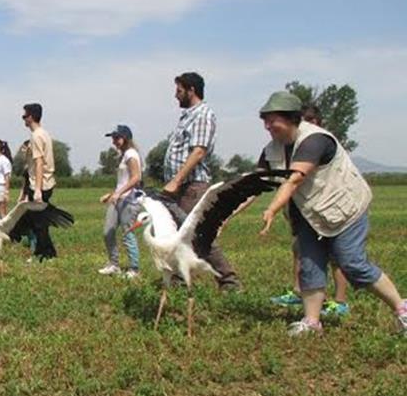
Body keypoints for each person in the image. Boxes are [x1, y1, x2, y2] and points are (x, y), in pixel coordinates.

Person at [254, 91, 406, 336]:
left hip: (345, 208)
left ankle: (402, 309)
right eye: (265, 120)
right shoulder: (273, 149)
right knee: (309, 265)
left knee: (352, 263)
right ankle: (312, 322)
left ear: (292, 118)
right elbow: (253, 184)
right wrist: (225, 211)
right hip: (310, 213)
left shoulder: (315, 140)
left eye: (273, 120)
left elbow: (293, 180)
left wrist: (272, 209)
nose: (268, 126)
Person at [269, 104, 351, 316]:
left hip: (328, 210)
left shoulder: (320, 143)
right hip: (302, 211)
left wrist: (272, 209)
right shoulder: (281, 146)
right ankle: (300, 294)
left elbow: (296, 179)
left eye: (311, 121)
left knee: (337, 256)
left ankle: (340, 302)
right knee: (302, 251)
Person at [162, 72, 240, 290]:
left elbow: (199, 151)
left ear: (191, 90)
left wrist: (176, 181)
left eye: (179, 90)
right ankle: (179, 278)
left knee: (198, 235)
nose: (175, 95)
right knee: (179, 234)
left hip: (192, 185)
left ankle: (229, 281)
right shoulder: (188, 116)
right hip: (182, 185)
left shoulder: (203, 114)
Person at [97, 125, 144, 279]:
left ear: (125, 138)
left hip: (129, 201)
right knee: (108, 232)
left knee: (127, 233)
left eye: (116, 138)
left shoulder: (131, 154)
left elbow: (136, 178)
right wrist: (111, 194)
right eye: (113, 138)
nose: (114, 142)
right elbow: (124, 181)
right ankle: (114, 265)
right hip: (118, 198)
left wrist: (118, 193)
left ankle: (134, 269)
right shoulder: (123, 156)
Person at [22, 103, 58, 261]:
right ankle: (49, 252)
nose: (23, 119)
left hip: (40, 184)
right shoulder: (44, 133)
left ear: (31, 117)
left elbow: (39, 163)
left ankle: (42, 254)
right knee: (39, 221)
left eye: (24, 116)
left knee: (38, 223)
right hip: (47, 182)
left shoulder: (36, 135)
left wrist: (37, 189)